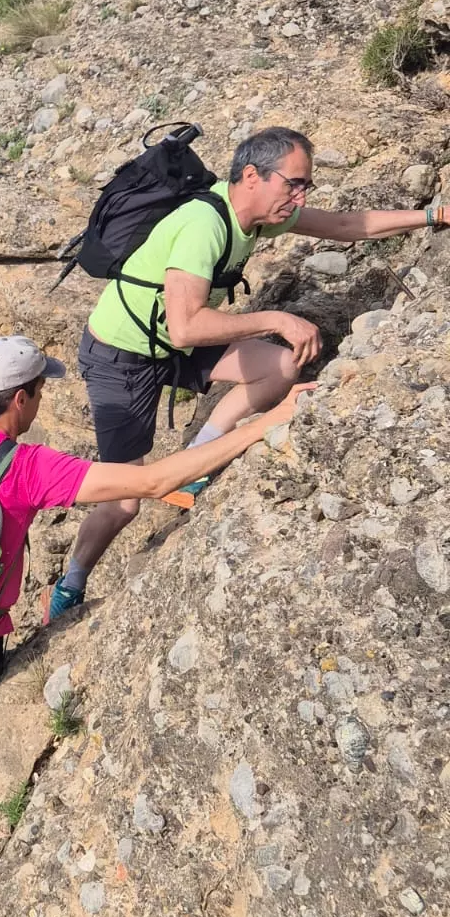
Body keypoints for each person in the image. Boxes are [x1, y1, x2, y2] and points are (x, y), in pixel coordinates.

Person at [0, 335, 309, 917]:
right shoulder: (28, 467)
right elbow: (156, 481)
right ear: (22, 399)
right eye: (40, 392)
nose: (40, 402)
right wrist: (265, 424)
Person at [49, 125, 449, 617]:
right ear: (254, 175)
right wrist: (277, 317)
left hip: (172, 341)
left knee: (282, 365)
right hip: (122, 354)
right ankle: (71, 583)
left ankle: (195, 463)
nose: (300, 196)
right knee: (125, 501)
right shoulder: (205, 225)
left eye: (306, 186)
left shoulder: (258, 217)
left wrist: (433, 215)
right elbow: (186, 327)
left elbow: (346, 225)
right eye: (294, 183)